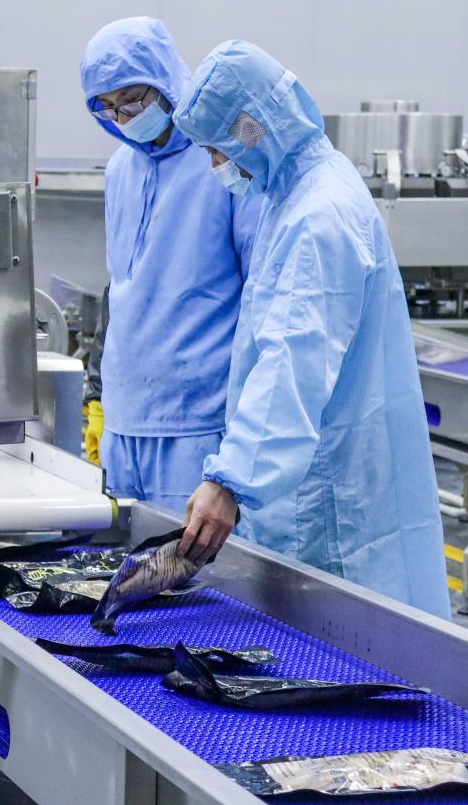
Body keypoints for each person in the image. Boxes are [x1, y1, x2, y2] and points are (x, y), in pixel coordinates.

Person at [169, 38, 451, 619]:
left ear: (250, 129)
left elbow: (293, 359)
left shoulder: (319, 215)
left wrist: (231, 481)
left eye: (217, 147)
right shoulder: (297, 193)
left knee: (348, 652)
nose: (216, 164)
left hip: (331, 502)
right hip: (322, 484)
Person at [78, 17, 257, 515]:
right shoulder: (120, 169)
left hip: (197, 424)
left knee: (191, 561)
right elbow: (120, 290)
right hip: (124, 421)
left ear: (165, 82)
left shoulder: (221, 160)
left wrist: (246, 432)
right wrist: (98, 396)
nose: (124, 117)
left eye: (133, 100)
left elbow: (260, 292)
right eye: (108, 107)